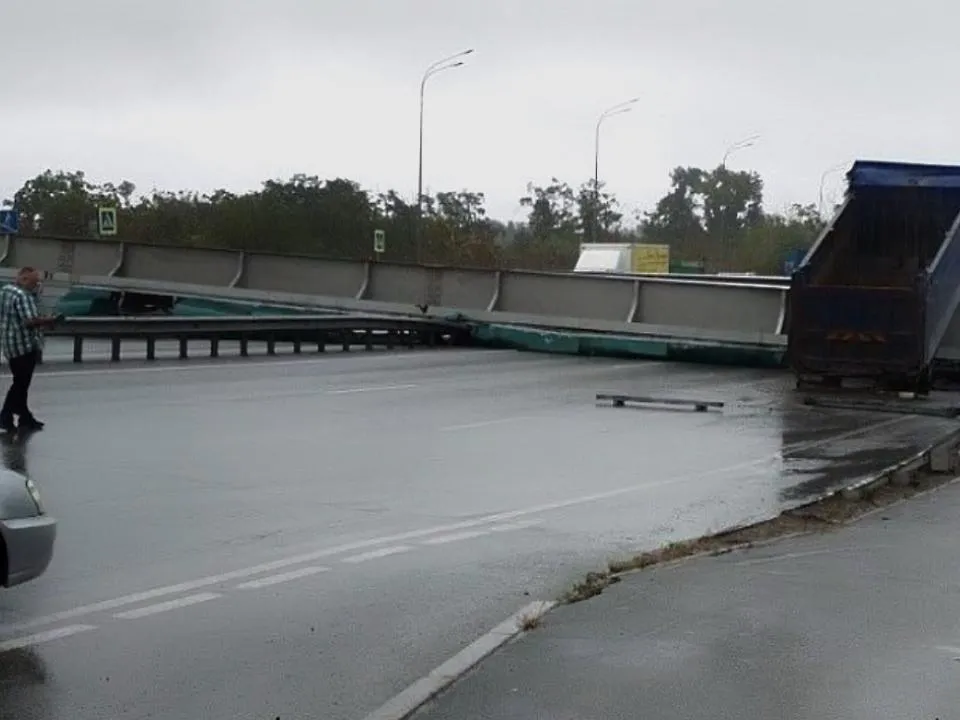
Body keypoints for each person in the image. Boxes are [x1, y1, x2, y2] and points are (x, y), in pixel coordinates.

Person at [0, 268, 59, 432]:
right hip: (24, 344)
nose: (35, 286)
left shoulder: (5, 291)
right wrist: (49, 320)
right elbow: (29, 321)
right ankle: (5, 415)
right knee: (20, 384)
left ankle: (25, 417)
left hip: (9, 343)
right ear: (24, 279)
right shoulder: (22, 296)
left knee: (20, 382)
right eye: (33, 282)